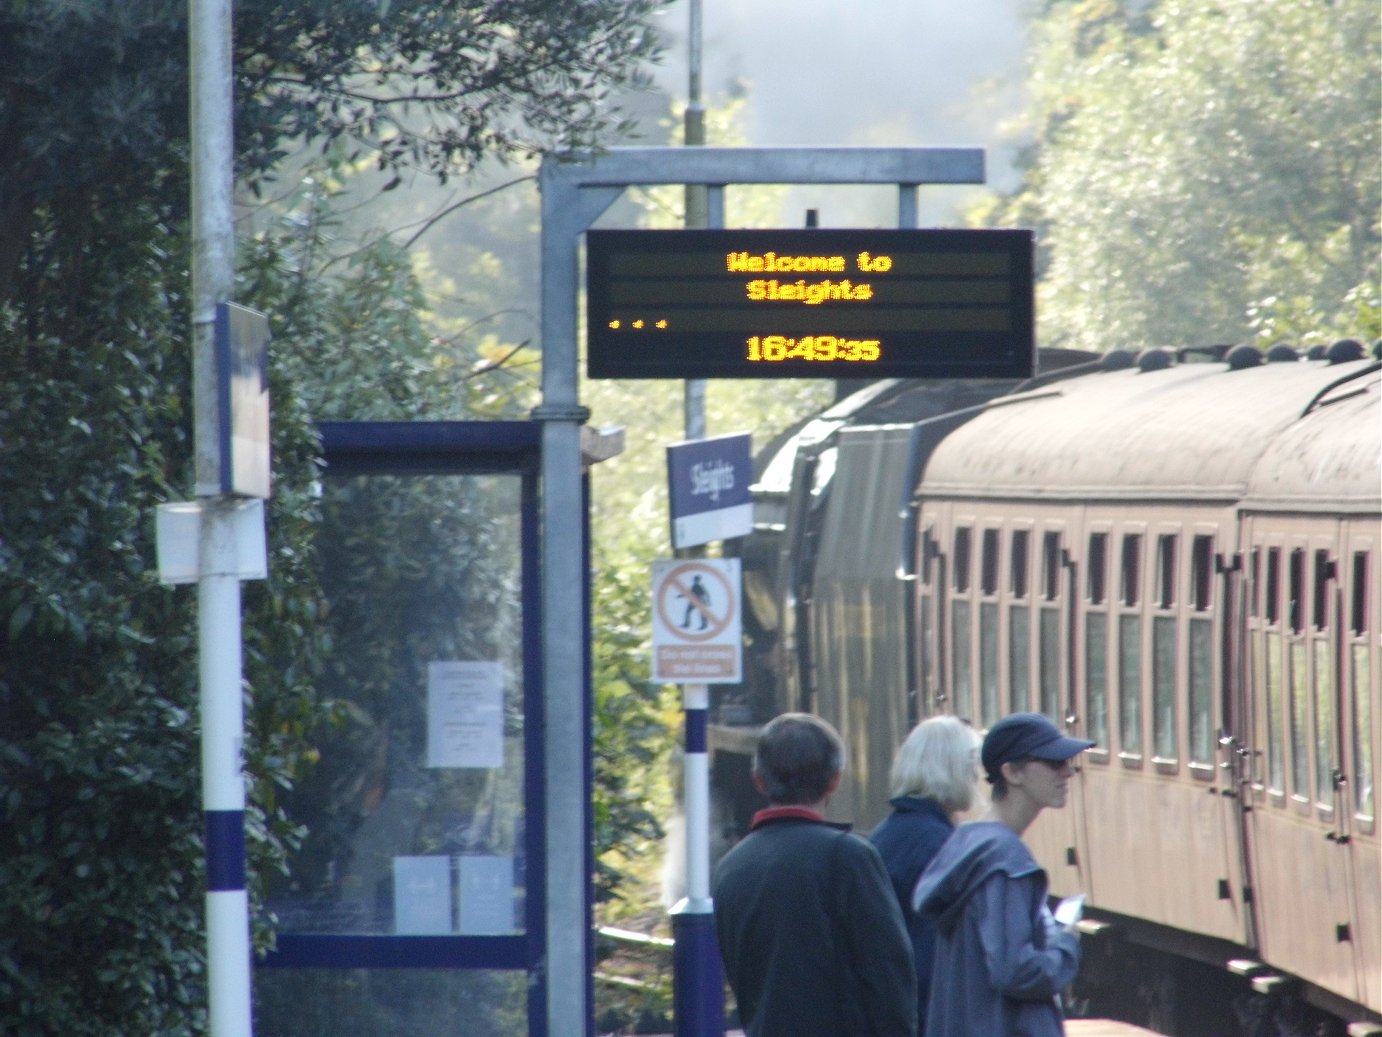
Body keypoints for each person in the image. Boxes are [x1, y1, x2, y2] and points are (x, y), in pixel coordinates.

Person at [713, 712, 917, 1037]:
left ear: (759, 780)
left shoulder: (731, 868)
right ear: (834, 779)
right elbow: (890, 976)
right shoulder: (848, 857)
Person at [912, 712, 1094, 1037]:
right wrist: (1065, 945)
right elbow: (1014, 970)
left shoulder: (970, 844)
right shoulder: (1005, 860)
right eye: (1054, 763)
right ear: (1012, 772)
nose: (1068, 772)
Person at [869, 715, 981, 1028]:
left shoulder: (889, 832)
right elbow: (933, 954)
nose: (976, 775)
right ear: (951, 768)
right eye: (970, 764)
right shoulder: (938, 845)